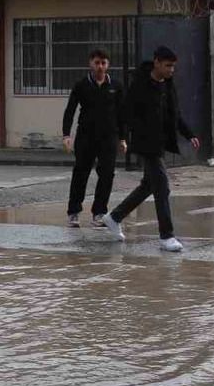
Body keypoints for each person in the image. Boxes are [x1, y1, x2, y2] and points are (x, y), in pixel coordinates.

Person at [99, 46, 200, 252]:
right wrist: (128, 135)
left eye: (173, 66)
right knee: (162, 185)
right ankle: (166, 236)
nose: (171, 70)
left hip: (160, 142)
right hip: (146, 143)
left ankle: (115, 217)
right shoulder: (140, 84)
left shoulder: (168, 84)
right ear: (157, 63)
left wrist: (189, 134)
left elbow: (175, 114)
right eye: (168, 66)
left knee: (148, 186)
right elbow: (126, 112)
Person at [62, 49, 127, 228]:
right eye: (97, 62)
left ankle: (99, 212)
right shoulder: (81, 85)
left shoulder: (116, 86)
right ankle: (74, 212)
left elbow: (122, 114)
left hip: (109, 137)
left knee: (107, 174)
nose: (100, 66)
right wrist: (66, 135)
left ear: (108, 65)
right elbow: (70, 110)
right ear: (90, 63)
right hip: (86, 136)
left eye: (103, 63)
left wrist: (123, 138)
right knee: (81, 172)